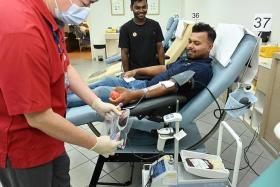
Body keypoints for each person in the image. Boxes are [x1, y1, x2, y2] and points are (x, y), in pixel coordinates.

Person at [0, 0, 121, 187]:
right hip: (26, 147)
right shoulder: (22, 30)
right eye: (85, 2)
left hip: (53, 133)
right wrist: (95, 143)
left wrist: (96, 102)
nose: (85, 11)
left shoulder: (50, 18)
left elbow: (65, 65)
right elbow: (38, 117)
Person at [67, 22, 216, 107]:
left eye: (196, 43)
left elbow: (170, 86)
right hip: (141, 84)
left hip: (145, 96)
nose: (189, 46)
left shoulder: (201, 70)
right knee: (106, 80)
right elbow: (164, 68)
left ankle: (59, 103)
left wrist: (133, 94)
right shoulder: (188, 59)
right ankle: (65, 91)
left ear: (210, 47)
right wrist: (135, 71)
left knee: (100, 91)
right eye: (189, 41)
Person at [119, 0, 165, 72]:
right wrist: (127, 74)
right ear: (131, 8)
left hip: (154, 71)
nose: (141, 10)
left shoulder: (155, 25)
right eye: (137, 8)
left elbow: (160, 47)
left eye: (144, 7)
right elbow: (124, 53)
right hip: (135, 72)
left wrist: (163, 69)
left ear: (147, 6)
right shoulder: (125, 28)